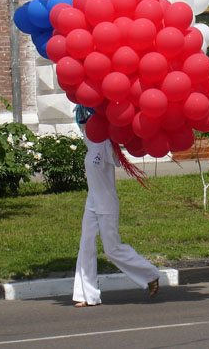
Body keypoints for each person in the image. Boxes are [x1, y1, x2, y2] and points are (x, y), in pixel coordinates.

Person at [73, 106, 160, 307]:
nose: (83, 125)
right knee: (85, 246)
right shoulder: (90, 141)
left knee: (112, 249)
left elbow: (118, 146)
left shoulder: (105, 144)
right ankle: (87, 295)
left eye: (86, 120)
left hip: (107, 203)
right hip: (92, 202)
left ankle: (150, 274)